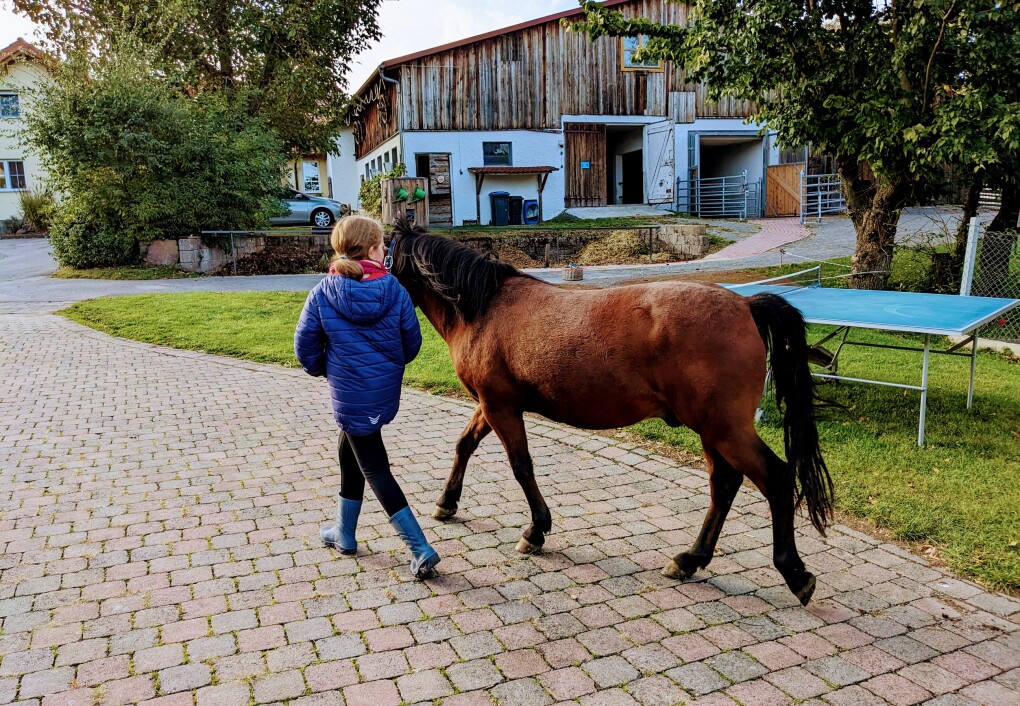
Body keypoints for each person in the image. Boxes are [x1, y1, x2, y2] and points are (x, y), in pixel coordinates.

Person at [294, 215, 440, 580]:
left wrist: (329, 369)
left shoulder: (323, 292)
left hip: (350, 394)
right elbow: (412, 344)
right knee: (350, 450)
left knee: (374, 466)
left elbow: (305, 349)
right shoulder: (395, 289)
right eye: (382, 245)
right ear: (372, 249)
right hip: (381, 391)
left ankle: (420, 548)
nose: (385, 249)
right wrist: (385, 366)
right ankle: (344, 532)